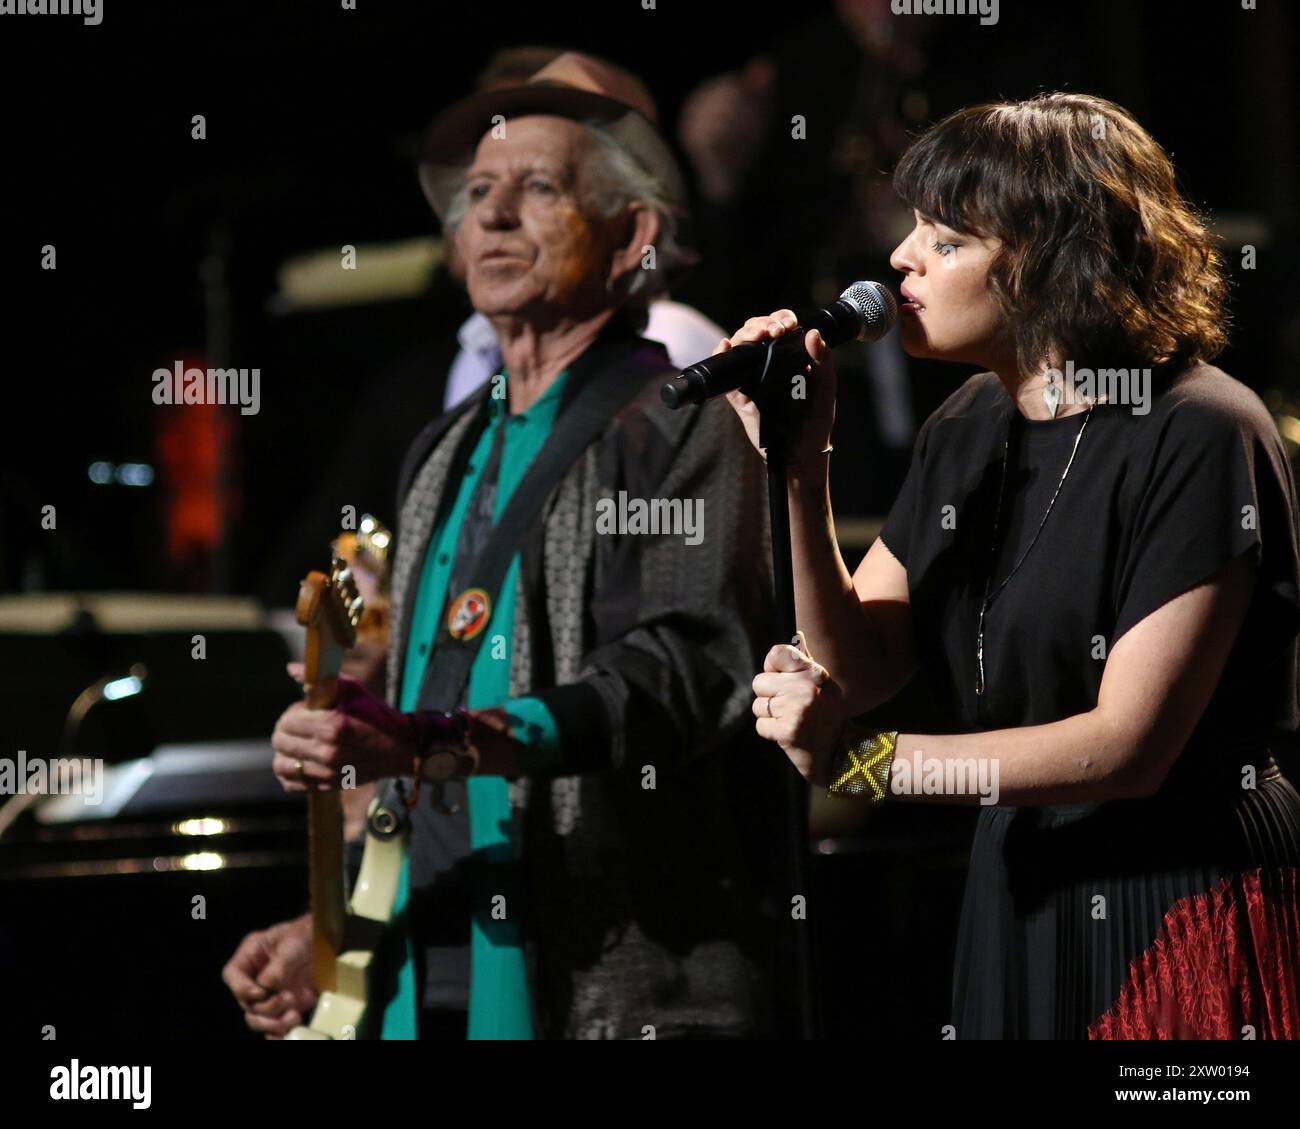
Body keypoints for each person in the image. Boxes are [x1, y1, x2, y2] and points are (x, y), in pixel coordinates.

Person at [224, 52, 782, 1041]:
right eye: (478, 192)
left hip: (609, 981)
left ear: (630, 234)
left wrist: (432, 741)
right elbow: (415, 731)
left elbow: (679, 673)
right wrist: (336, 928)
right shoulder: (444, 447)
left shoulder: (676, 423)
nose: (490, 215)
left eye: (539, 188)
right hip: (430, 964)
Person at [724, 91, 1300, 1039]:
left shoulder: (1199, 429)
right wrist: (797, 463)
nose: (903, 259)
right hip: (1022, 874)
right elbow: (863, 662)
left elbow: (1127, 748)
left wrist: (863, 765)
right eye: (913, 230)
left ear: (1051, 266)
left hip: (1178, 887)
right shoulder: (968, 426)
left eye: (946, 240)